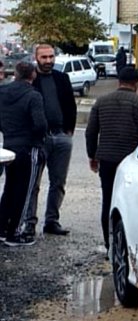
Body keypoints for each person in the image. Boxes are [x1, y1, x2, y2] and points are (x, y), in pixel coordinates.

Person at [86, 67, 138, 250]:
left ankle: (109, 244)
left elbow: (91, 132)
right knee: (132, 202)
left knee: (108, 200)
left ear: (119, 81)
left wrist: (92, 155)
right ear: (136, 83)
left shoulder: (101, 101)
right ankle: (129, 244)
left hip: (106, 159)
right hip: (131, 161)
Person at [24, 43, 77, 237]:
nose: (48, 61)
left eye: (51, 57)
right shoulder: (30, 80)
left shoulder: (62, 78)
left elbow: (71, 105)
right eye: (44, 57)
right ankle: (29, 222)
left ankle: (52, 221)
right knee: (33, 183)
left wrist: (69, 130)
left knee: (58, 182)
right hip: (38, 139)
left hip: (61, 136)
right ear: (36, 58)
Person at [0, 61, 48, 246]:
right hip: (29, 147)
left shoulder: (3, 92)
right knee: (25, 190)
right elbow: (40, 124)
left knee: (10, 188)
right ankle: (15, 232)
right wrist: (37, 138)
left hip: (9, 144)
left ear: (16, 74)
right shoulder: (33, 96)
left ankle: (2, 227)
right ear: (33, 75)